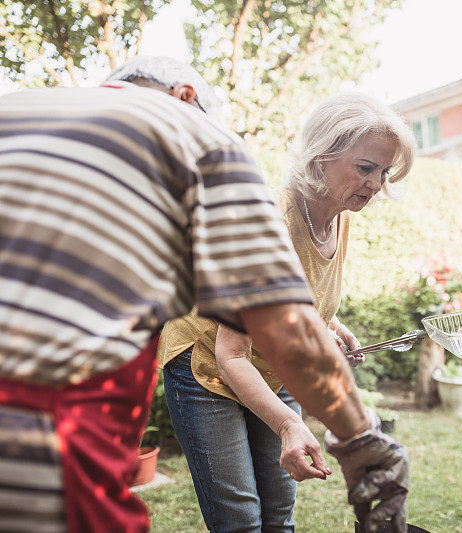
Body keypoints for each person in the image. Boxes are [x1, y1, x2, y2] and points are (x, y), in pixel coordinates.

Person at [0, 56, 409, 533]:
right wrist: (360, 439)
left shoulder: (16, 114)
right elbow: (282, 326)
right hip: (68, 424)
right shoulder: (201, 141)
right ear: (185, 98)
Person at [157, 92, 415, 532]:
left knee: (278, 509)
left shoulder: (339, 217)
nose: (376, 184)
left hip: (272, 364)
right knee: (241, 520)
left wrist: (328, 322)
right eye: (366, 168)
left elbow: (295, 294)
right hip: (207, 365)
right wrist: (288, 424)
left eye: (384, 171)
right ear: (319, 160)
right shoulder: (269, 224)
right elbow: (230, 354)